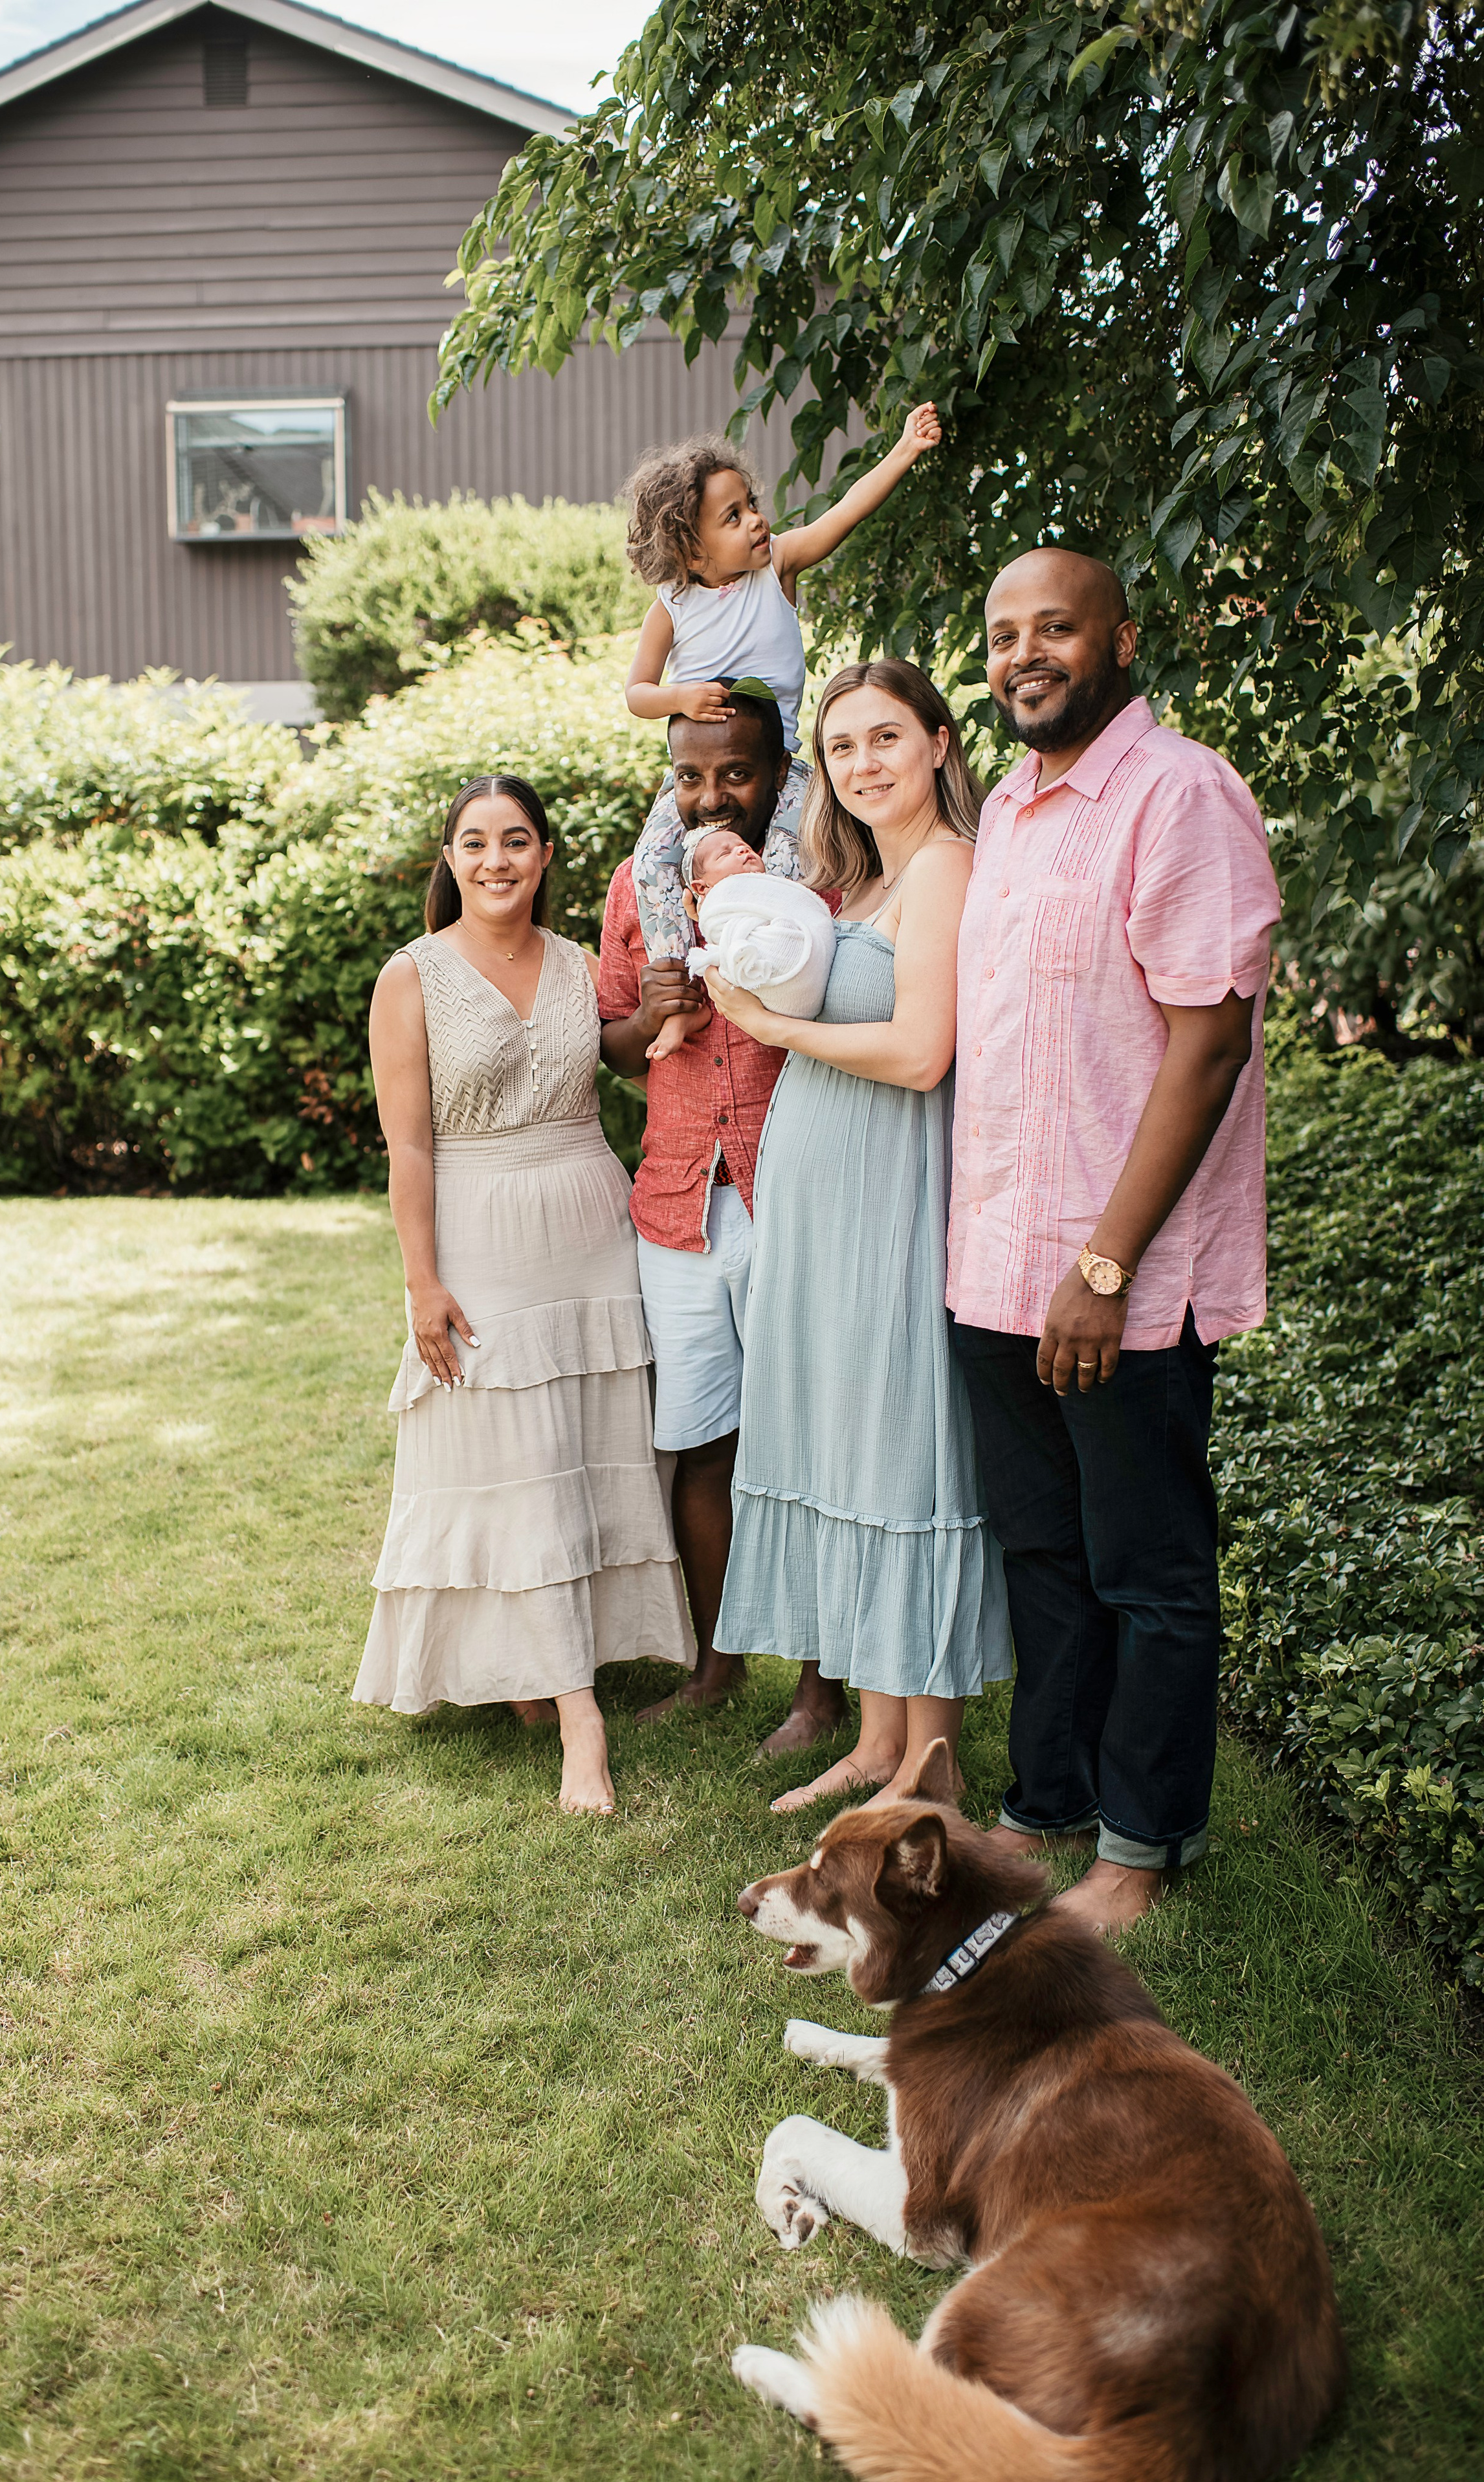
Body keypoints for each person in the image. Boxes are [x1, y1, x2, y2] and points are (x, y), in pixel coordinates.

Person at [948, 546, 1281, 1929]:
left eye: (1054, 627)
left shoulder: (1179, 793)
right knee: (1041, 1555)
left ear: (1119, 638)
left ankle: (1141, 1846)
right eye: (1002, 632)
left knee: (1145, 1570)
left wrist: (1102, 1263)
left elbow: (1205, 1046)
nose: (1024, 651)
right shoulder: (1011, 814)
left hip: (1115, 1284)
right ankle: (1046, 1805)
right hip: (996, 1269)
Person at [353, 774, 694, 1816]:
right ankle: (579, 1718)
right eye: (474, 842)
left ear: (546, 856)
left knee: (586, 1442)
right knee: (517, 1457)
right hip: (482, 1225)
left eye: (515, 842)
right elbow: (408, 1142)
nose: (495, 860)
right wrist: (421, 1279)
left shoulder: (580, 964)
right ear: (448, 859)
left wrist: (660, 1014)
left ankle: (551, 1666)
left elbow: (617, 1058)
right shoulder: (410, 977)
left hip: (589, 1220)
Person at [706, 659, 1012, 1811]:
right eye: (842, 748)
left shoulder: (946, 868)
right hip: (825, 1208)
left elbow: (923, 1050)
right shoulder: (860, 883)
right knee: (848, 1447)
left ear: (939, 743)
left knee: (900, 1446)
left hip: (896, 1194)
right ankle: (878, 1744)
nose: (864, 764)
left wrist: (769, 1023)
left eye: (887, 738)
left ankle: (927, 1765)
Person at [598, 693, 848, 1753]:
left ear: (779, 765)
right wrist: (650, 1018)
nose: (711, 798)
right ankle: (715, 1666)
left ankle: (821, 1690)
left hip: (789, 1193)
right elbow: (608, 1043)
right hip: (677, 1207)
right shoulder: (640, 884)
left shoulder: (819, 873)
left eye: (735, 774)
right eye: (691, 776)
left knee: (811, 1447)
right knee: (704, 1446)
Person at [622, 409, 943, 1058]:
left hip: (785, 769)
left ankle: (783, 970)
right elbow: (637, 693)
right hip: (697, 777)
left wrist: (905, 450)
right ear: (689, 548)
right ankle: (684, 988)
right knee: (653, 866)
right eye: (733, 518)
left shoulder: (778, 569)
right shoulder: (672, 606)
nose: (757, 521)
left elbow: (843, 515)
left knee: (795, 861)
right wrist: (680, 696)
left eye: (752, 505)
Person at [681, 824, 837, 1021]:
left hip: (813, 966)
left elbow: (797, 911)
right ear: (702, 888)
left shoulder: (768, 888)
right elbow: (720, 929)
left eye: (745, 846)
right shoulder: (718, 903)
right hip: (765, 969)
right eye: (725, 853)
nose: (742, 849)